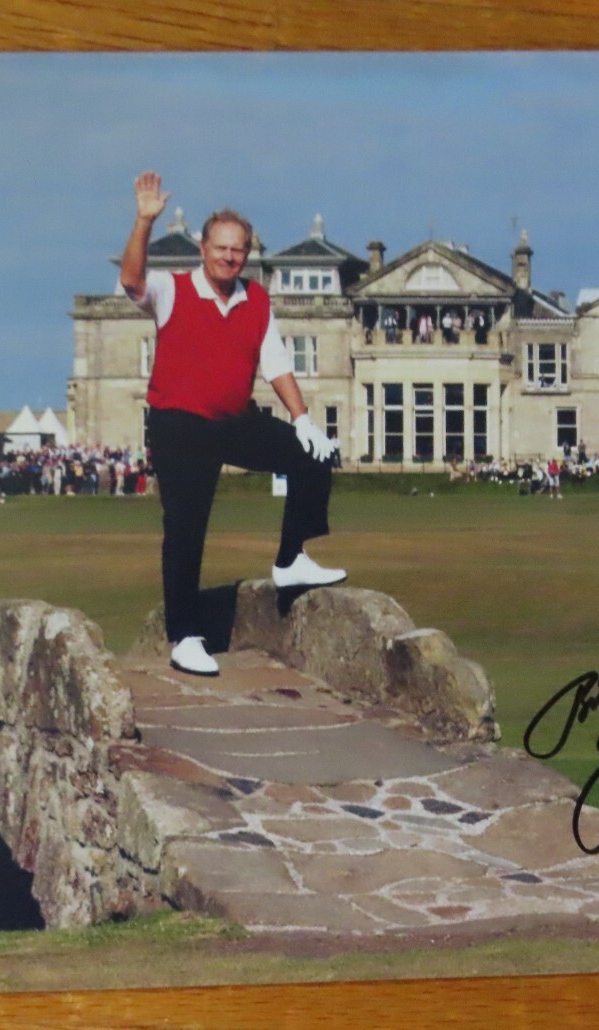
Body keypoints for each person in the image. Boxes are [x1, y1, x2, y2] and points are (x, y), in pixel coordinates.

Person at [120, 170, 343, 677]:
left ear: (247, 253)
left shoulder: (257, 300)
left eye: (237, 250)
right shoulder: (172, 290)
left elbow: (276, 363)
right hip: (178, 424)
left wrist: (303, 419)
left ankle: (290, 560)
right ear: (203, 248)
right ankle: (184, 636)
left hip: (232, 419)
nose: (228, 257)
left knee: (312, 456)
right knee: (185, 528)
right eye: (220, 248)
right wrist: (143, 221)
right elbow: (132, 279)